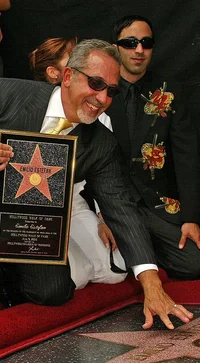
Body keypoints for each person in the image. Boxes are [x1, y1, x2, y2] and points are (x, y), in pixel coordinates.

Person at [0, 39, 194, 330]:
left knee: (54, 292)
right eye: (96, 83)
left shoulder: (101, 143)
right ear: (68, 76)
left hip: (31, 232)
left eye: (111, 91)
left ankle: (9, 276)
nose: (102, 98)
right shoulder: (7, 91)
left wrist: (151, 284)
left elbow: (121, 209)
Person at [106, 15, 200, 279]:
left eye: (146, 42)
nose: (139, 50)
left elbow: (187, 157)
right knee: (107, 269)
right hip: (110, 203)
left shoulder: (168, 92)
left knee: (194, 265)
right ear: (116, 47)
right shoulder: (99, 89)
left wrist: (190, 218)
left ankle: (143, 250)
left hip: (156, 204)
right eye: (130, 43)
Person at [28, 36, 126, 290]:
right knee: (77, 276)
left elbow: (104, 180)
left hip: (74, 202)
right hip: (34, 211)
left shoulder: (98, 117)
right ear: (60, 74)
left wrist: (103, 218)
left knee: (116, 271)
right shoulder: (27, 108)